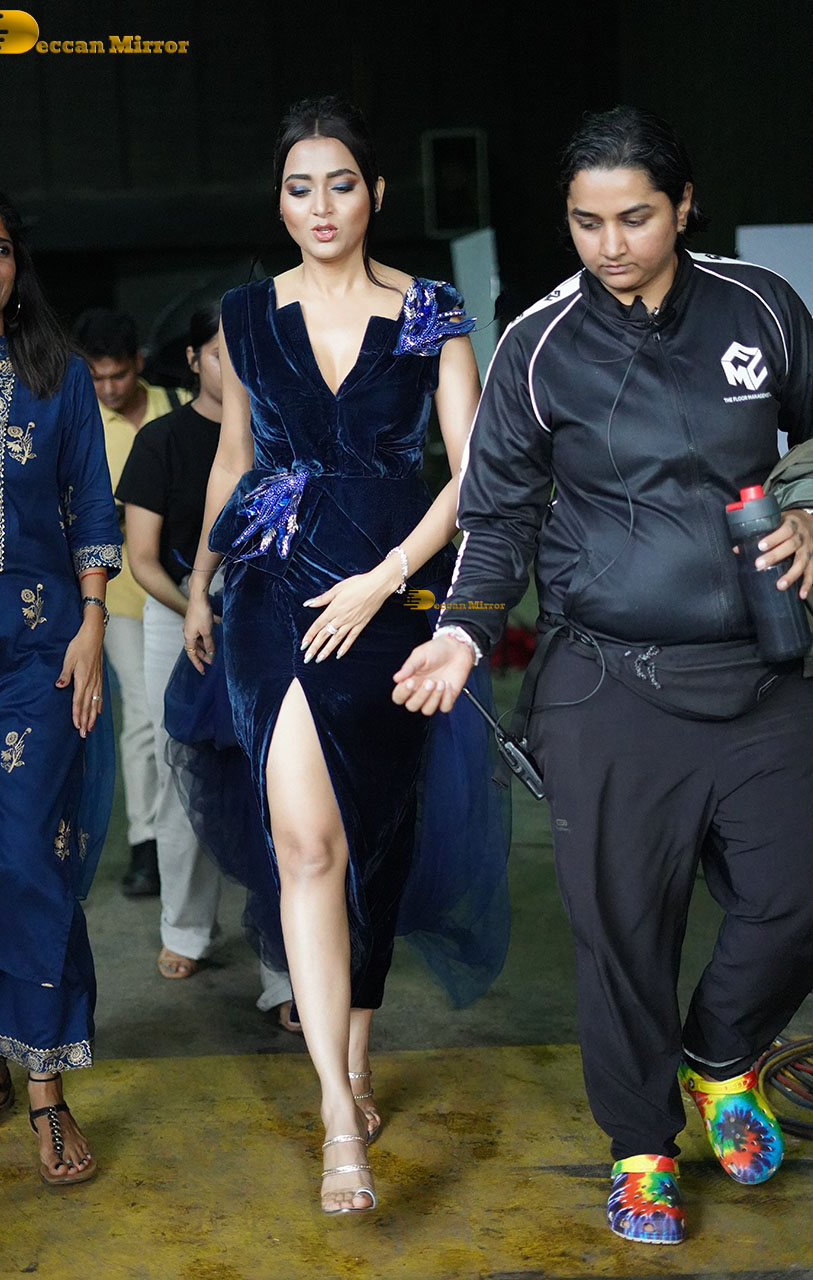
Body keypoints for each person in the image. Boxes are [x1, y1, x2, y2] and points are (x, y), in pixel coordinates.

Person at [393, 105, 813, 1245]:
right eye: (586, 222)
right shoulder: (537, 345)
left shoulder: (762, 307)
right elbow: (495, 515)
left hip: (764, 666)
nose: (610, 244)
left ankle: (718, 1057)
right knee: (623, 931)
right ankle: (640, 1148)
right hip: (609, 681)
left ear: (683, 208)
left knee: (795, 894)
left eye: (635, 217)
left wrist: (811, 512)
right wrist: (463, 634)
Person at [182, 95, 506, 1214]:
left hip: (391, 594)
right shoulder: (244, 312)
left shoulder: (427, 309)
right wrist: (200, 583)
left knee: (374, 838)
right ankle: (334, 1109)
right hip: (272, 596)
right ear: (279, 202)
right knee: (306, 847)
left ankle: (356, 1056)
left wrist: (386, 577)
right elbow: (234, 459)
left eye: (340, 184)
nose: (320, 206)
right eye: (298, 187)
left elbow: (473, 469)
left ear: (374, 194)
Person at [0, 187, 121, 1184]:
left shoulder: (55, 375)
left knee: (25, 851)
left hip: (36, 647)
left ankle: (47, 1089)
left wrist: (94, 622)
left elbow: (91, 505)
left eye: (0, 248)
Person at [117, 305, 296, 1022]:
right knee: (182, 779)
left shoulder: (283, 434)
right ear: (194, 360)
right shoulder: (162, 441)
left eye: (248, 352)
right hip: (179, 620)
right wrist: (199, 607)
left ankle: (284, 965)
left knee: (277, 789)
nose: (236, 367)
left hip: (267, 620)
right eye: (222, 353)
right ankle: (186, 927)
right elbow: (141, 558)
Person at [73, 308, 189, 899]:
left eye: (117, 375)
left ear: (138, 364)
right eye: (97, 377)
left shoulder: (181, 405)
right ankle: (148, 842)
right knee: (145, 715)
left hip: (187, 590)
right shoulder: (82, 423)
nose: (109, 388)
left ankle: (191, 835)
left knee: (187, 716)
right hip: (118, 597)